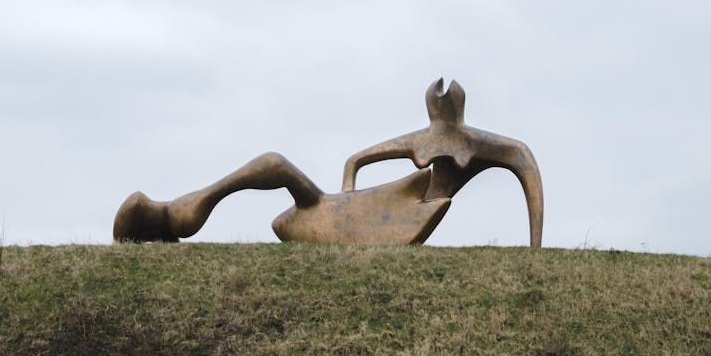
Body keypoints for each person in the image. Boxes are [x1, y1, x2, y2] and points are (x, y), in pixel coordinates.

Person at [112, 78, 543, 247]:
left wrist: (536, 248)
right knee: (278, 165)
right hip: (350, 214)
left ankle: (166, 217)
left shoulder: (489, 146)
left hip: (375, 221)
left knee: (279, 166)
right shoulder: (442, 141)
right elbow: (356, 160)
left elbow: (528, 175)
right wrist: (347, 197)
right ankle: (165, 216)